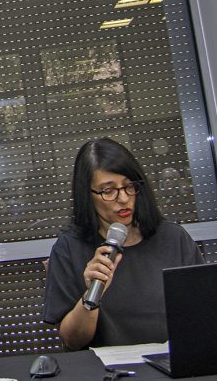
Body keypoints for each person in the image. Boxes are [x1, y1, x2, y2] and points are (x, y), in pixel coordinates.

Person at [42, 137, 203, 349]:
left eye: (129, 186)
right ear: (87, 195)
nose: (124, 198)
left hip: (171, 360)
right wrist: (91, 296)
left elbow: (203, 311)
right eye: (108, 191)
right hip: (107, 366)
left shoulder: (173, 238)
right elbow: (72, 341)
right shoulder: (69, 249)